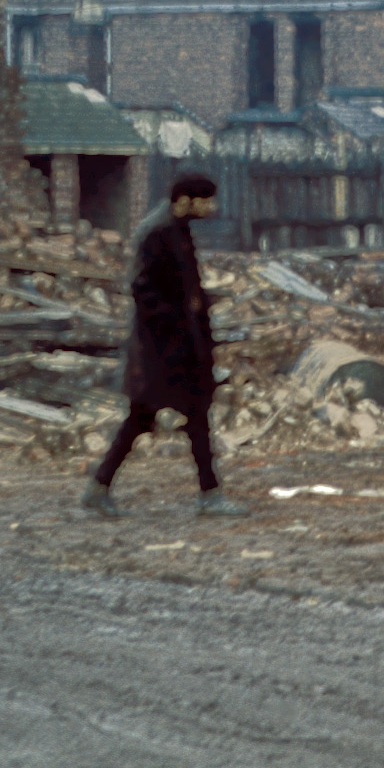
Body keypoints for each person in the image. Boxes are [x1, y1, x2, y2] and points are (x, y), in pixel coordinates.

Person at [82, 173, 247, 519]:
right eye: (207, 201)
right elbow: (145, 291)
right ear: (186, 200)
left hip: (177, 347)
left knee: (183, 418)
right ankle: (207, 495)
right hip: (163, 351)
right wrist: (176, 328)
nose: (213, 208)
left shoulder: (177, 230)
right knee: (152, 418)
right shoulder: (158, 233)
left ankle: (103, 488)